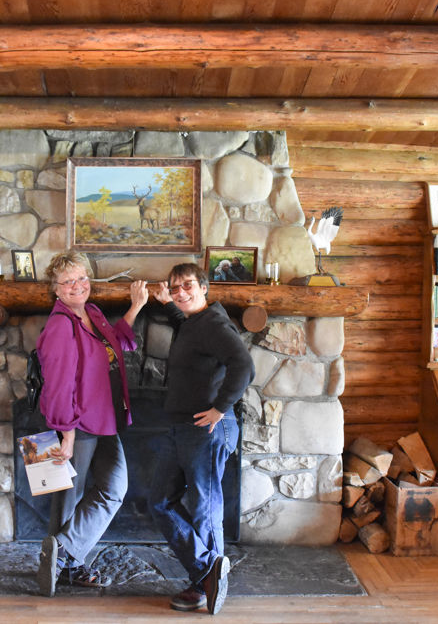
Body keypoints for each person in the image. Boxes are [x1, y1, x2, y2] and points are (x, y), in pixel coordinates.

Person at [34, 251, 149, 598]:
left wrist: (137, 305)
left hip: (104, 418)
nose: (77, 286)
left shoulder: (92, 313)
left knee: (115, 488)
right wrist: (65, 433)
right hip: (71, 422)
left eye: (82, 278)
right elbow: (56, 384)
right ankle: (64, 566)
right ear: (55, 289)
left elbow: (119, 344)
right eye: (67, 281)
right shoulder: (59, 324)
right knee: (66, 499)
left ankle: (61, 553)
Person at [148, 263, 255, 614]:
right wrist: (167, 304)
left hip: (207, 429)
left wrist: (221, 408)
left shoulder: (213, 324)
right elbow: (186, 327)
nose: (181, 292)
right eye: (175, 287)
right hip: (181, 428)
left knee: (204, 509)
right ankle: (206, 572)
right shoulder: (193, 323)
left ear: (204, 287)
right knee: (160, 501)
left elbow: (243, 365)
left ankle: (206, 584)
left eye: (188, 286)